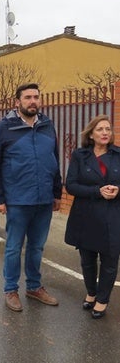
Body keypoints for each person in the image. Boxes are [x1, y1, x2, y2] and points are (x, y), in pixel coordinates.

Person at [0, 83, 62, 312]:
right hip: (17, 200)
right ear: (17, 102)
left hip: (44, 200)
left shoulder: (47, 126)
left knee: (37, 247)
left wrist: (56, 193)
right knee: (14, 248)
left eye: (36, 97)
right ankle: (11, 290)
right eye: (27, 97)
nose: (33, 101)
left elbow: (54, 161)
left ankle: (34, 287)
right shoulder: (5, 128)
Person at [64, 114, 120, 319]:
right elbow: (71, 185)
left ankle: (102, 300)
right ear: (91, 134)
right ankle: (91, 292)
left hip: (113, 216)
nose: (105, 132)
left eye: (108, 129)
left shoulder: (118, 155)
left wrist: (117, 191)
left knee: (110, 260)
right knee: (87, 260)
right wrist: (98, 191)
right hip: (85, 216)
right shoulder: (80, 155)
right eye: (100, 129)